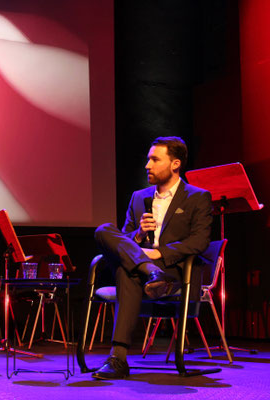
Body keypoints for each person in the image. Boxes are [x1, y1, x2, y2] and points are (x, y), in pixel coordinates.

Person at [91, 136, 212, 380]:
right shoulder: (139, 196)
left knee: (126, 269)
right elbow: (123, 238)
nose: (148, 165)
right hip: (146, 268)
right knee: (104, 230)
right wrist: (138, 235)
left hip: (174, 270)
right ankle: (148, 272)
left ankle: (118, 358)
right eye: (148, 159)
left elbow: (199, 241)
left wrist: (158, 253)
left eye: (155, 159)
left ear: (175, 164)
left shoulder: (197, 197)